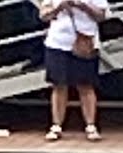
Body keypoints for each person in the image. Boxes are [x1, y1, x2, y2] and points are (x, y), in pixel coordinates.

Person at [38, 0, 107, 141]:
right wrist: (59, 7)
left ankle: (91, 126)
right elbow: (43, 15)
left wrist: (82, 6)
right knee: (58, 85)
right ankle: (56, 126)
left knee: (86, 85)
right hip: (57, 42)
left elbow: (102, 16)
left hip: (85, 40)